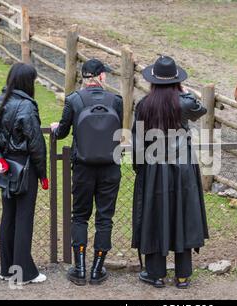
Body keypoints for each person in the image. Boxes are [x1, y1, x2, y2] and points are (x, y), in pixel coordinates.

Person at [132, 55, 209, 289]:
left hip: (155, 169)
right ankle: (183, 275)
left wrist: (141, 170)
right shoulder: (184, 103)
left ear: (153, 80)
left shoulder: (144, 105)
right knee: (183, 215)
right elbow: (201, 109)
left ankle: (155, 274)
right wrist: (184, 92)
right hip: (183, 168)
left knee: (156, 216)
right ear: (176, 80)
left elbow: (137, 144)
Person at [51, 59, 123, 286]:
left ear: (84, 77)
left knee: (80, 216)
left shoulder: (73, 100)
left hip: (82, 168)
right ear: (101, 77)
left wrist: (55, 129)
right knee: (105, 218)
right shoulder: (116, 101)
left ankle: (79, 268)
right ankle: (97, 269)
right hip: (110, 168)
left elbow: (62, 133)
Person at [0, 63, 49, 284]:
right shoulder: (26, 107)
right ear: (26, 82)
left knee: (8, 217)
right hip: (25, 167)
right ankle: (23, 274)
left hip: (7, 168)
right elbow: (36, 144)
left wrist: (0, 160)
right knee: (23, 219)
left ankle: (7, 270)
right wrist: (43, 174)